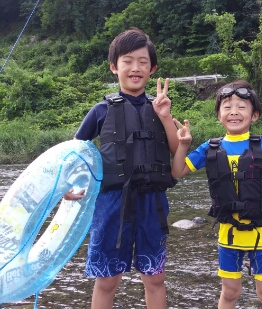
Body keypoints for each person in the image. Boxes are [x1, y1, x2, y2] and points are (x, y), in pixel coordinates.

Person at [171, 80, 262, 309]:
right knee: (229, 292)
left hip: (260, 233)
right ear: (219, 115)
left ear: (254, 115)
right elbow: (178, 171)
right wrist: (184, 145)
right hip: (228, 233)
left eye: (241, 107)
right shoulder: (210, 148)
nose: (234, 112)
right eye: (227, 107)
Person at [64, 28, 178, 309]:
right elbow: (74, 152)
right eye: (127, 61)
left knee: (155, 277)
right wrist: (65, 186)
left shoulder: (160, 108)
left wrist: (166, 118)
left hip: (152, 200)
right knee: (107, 279)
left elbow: (177, 150)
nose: (135, 68)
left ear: (152, 69)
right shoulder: (100, 110)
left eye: (142, 62)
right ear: (114, 67)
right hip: (111, 202)